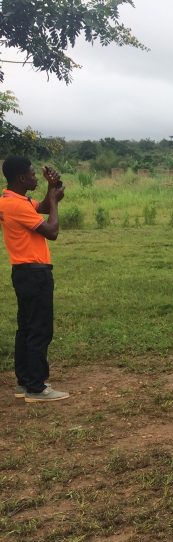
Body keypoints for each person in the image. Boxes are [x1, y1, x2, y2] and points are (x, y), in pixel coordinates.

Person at [0, 156, 69, 402]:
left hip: (23, 272)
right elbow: (52, 232)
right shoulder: (17, 206)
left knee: (26, 328)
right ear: (20, 178)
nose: (35, 178)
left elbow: (40, 208)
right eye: (31, 175)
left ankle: (25, 381)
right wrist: (54, 202)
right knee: (40, 330)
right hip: (34, 272)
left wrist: (53, 189)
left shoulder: (11, 200)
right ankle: (37, 388)